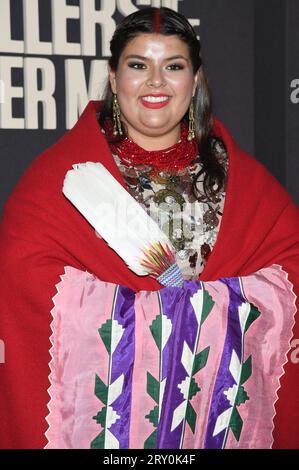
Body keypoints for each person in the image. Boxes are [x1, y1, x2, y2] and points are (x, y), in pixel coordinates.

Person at [0, 7, 298, 449]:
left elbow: (289, 271)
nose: (156, 82)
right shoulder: (58, 180)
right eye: (138, 65)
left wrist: (201, 308)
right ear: (113, 76)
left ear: (194, 80)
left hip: (211, 423)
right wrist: (160, 316)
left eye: (173, 66)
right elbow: (23, 282)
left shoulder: (246, 184)